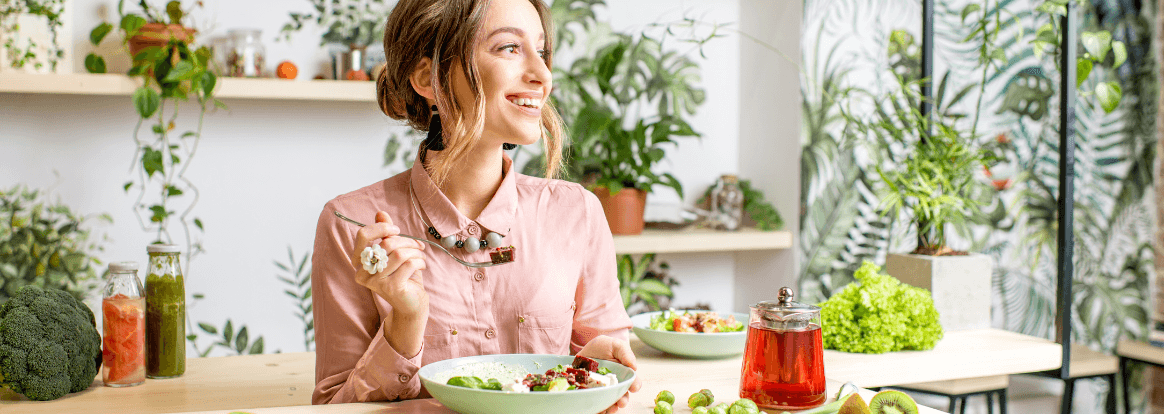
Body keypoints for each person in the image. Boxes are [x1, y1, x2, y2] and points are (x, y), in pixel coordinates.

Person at [310, 0, 640, 412]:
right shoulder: (351, 225)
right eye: (509, 48)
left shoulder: (578, 213)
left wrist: (599, 370)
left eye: (542, 51)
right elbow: (331, 406)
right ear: (427, 78)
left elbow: (599, 372)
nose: (542, 75)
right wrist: (406, 322)